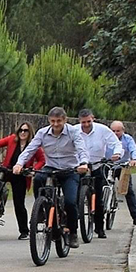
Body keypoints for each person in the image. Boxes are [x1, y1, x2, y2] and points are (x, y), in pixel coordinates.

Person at [13, 106, 89, 248]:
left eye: (59, 121)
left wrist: (83, 163)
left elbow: (81, 149)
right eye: (53, 121)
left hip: (69, 169)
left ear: (65, 120)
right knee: (38, 178)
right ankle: (41, 208)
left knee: (70, 202)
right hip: (51, 167)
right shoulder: (42, 133)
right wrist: (19, 164)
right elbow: (30, 149)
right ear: (49, 120)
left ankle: (73, 232)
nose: (55, 124)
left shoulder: (73, 132)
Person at [0, 122, 45, 240]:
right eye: (20, 130)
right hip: (6, 169)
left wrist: (33, 170)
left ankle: (24, 231)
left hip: (21, 175)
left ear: (30, 133)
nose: (22, 133)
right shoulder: (12, 139)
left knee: (19, 203)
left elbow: (42, 160)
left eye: (26, 131)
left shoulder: (34, 145)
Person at [77, 109, 122, 238]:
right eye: (83, 122)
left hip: (97, 165)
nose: (86, 125)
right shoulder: (74, 131)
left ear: (93, 118)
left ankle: (99, 228)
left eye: (88, 121)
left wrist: (117, 153)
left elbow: (116, 143)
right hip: (80, 166)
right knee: (75, 195)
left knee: (98, 197)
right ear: (79, 121)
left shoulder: (102, 130)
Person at [110, 121, 136, 225]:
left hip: (122, 166)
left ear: (123, 130)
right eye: (113, 131)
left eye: (118, 131)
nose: (115, 133)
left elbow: (133, 149)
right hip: (108, 165)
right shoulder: (107, 138)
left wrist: (134, 159)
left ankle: (135, 215)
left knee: (128, 190)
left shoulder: (128, 139)